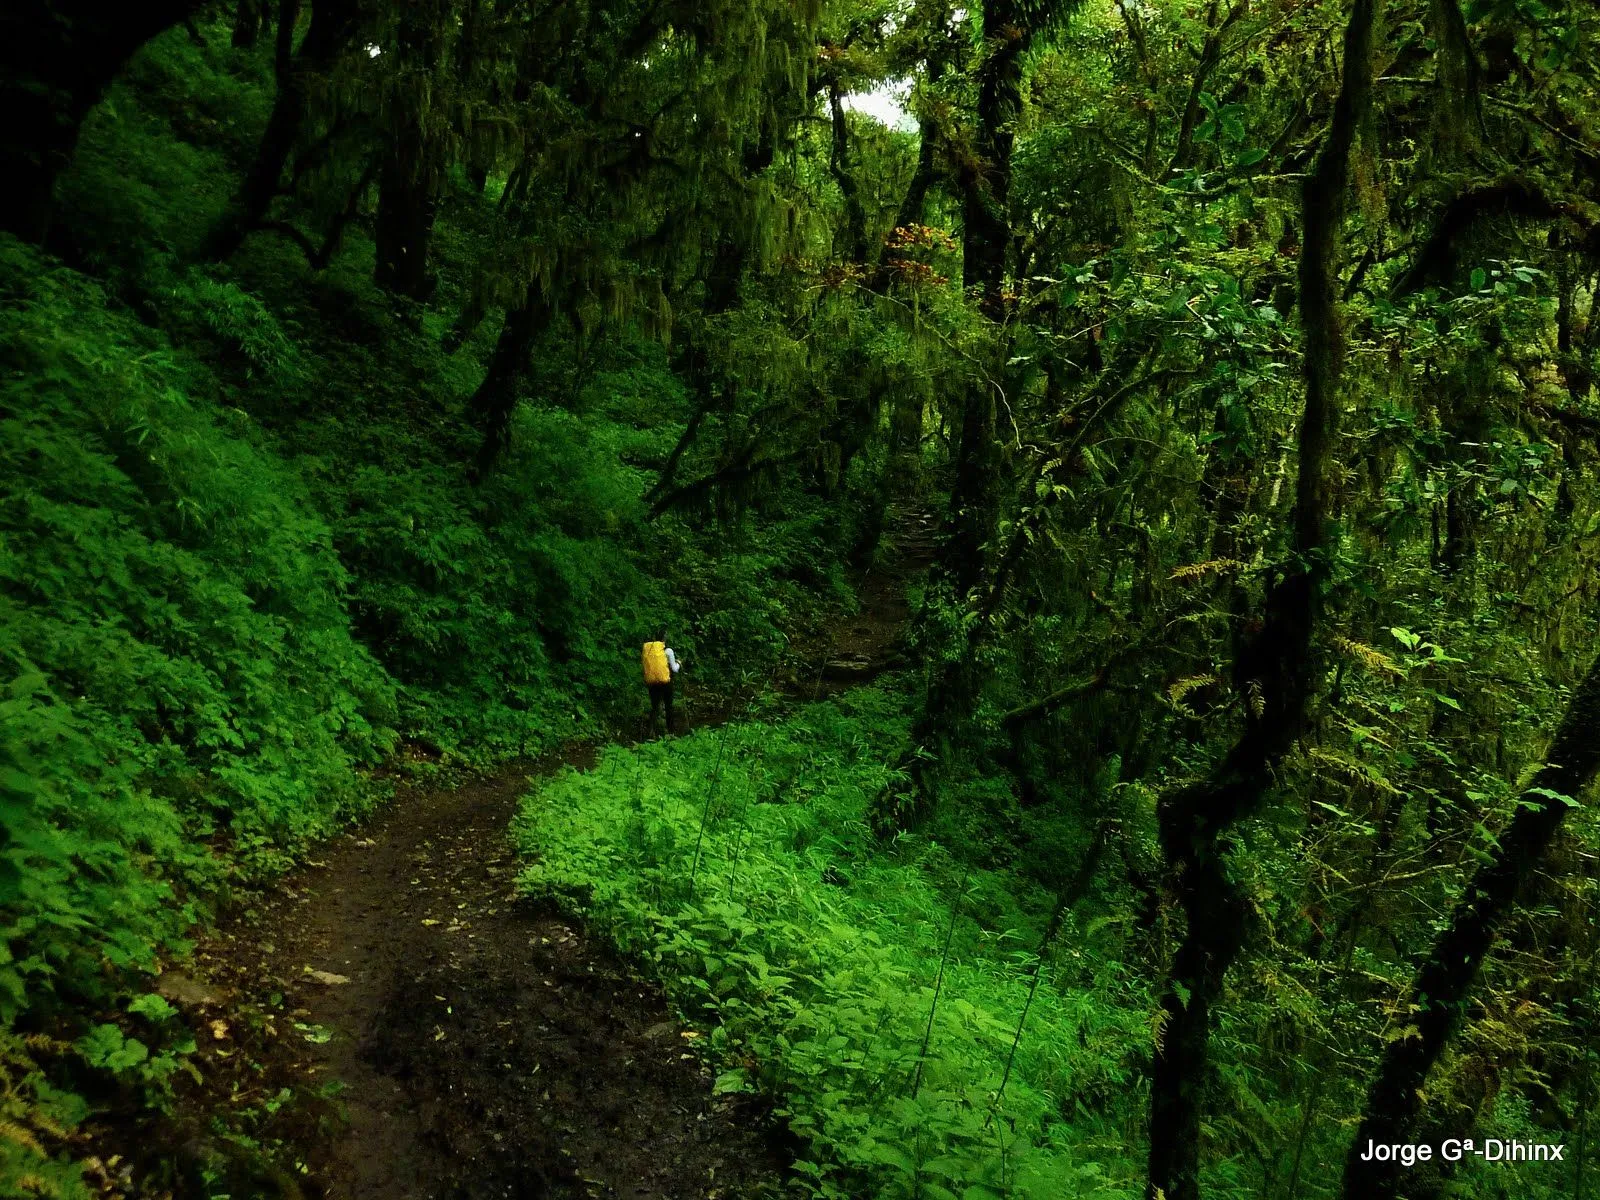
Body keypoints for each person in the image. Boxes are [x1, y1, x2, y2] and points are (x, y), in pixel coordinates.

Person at [641, 633, 682, 735]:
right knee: (668, 706)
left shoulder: (648, 650)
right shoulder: (668, 651)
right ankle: (671, 731)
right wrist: (679, 663)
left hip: (652, 683)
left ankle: (651, 731)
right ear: (663, 640)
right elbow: (674, 669)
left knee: (654, 707)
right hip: (666, 683)